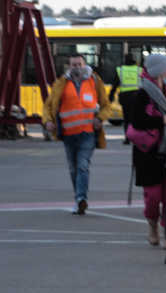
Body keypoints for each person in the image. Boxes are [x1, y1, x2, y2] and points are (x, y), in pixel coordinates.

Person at [43, 53, 112, 215]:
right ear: (69, 66)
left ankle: (81, 199)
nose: (77, 68)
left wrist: (100, 119)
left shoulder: (94, 81)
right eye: (73, 65)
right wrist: (47, 121)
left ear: (84, 64)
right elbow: (48, 106)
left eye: (79, 64)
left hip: (88, 134)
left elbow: (106, 105)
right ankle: (78, 198)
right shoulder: (61, 83)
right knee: (73, 169)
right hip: (68, 134)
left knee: (82, 166)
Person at [131, 54, 166, 245]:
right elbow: (136, 121)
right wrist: (161, 121)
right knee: (153, 197)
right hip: (148, 154)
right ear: (159, 70)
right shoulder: (143, 93)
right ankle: (152, 224)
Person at [110, 53, 140, 144]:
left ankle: (127, 139)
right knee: (136, 118)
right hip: (137, 96)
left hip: (125, 97)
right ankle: (137, 138)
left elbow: (115, 85)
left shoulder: (121, 70)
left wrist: (111, 96)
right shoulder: (139, 70)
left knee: (127, 119)